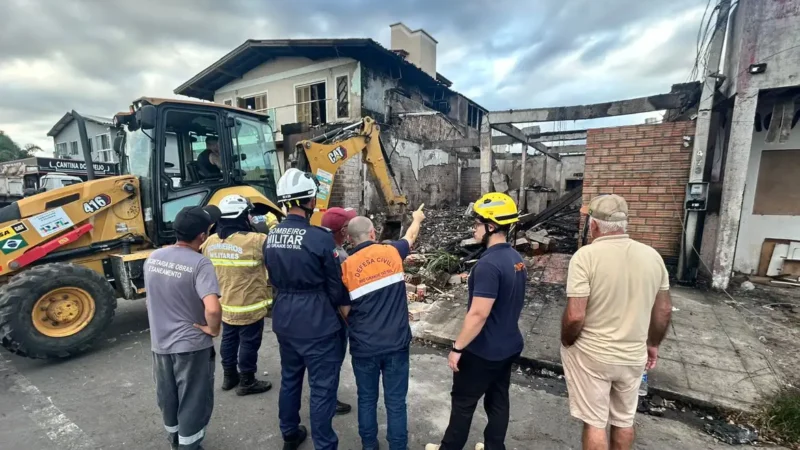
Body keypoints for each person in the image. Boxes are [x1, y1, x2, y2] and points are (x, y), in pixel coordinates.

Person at [560, 194, 672, 450]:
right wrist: (652, 344)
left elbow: (576, 315)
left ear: (594, 225)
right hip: (633, 356)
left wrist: (566, 340)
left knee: (595, 422)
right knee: (624, 420)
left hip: (593, 356)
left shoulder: (585, 257)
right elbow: (664, 309)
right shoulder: (653, 256)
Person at [427, 193, 525, 450]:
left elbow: (478, 314)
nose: (474, 228)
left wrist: (457, 348)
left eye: (478, 223)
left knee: (463, 403)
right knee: (498, 400)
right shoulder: (516, 259)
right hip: (509, 345)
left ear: (491, 227)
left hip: (483, 350)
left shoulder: (488, 265)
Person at [264, 168, 350, 450]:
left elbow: (273, 278)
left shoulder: (271, 236)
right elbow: (335, 286)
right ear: (309, 201)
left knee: (290, 377)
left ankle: (289, 433)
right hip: (317, 322)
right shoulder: (320, 238)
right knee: (323, 388)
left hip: (285, 318)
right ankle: (324, 444)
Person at [340, 207, 426, 450]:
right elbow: (410, 237)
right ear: (373, 232)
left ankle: (369, 446)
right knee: (396, 402)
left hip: (364, 346)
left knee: (366, 400)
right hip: (396, 344)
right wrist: (416, 218)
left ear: (350, 239)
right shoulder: (391, 252)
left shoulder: (346, 268)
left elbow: (344, 311)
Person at [144, 205, 223, 450]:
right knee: (193, 400)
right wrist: (213, 329)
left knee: (168, 398)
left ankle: (175, 442)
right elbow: (212, 308)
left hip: (160, 344)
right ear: (202, 236)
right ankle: (190, 446)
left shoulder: (154, 258)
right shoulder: (200, 264)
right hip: (191, 346)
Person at [201, 194, 273, 396]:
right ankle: (247, 381)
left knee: (229, 340)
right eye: (248, 214)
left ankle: (229, 376)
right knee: (249, 343)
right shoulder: (257, 240)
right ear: (242, 215)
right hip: (249, 306)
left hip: (224, 305)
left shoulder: (210, 241)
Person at [321, 207, 360, 415]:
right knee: (333, 360)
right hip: (337, 317)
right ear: (344, 230)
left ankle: (326, 396)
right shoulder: (342, 256)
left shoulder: (318, 248)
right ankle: (330, 400)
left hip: (317, 314)